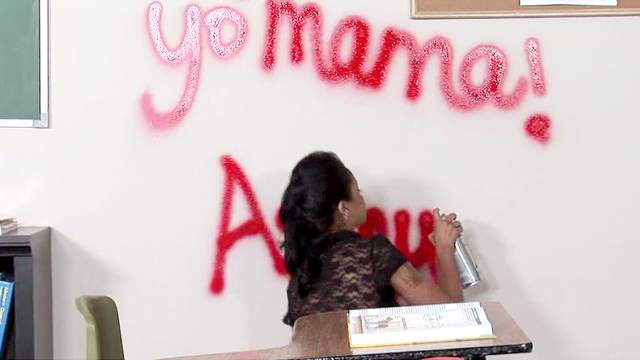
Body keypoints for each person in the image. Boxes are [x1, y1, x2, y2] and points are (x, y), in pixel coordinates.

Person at [280, 151, 464, 326]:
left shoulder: (300, 277)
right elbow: (452, 317)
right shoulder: (373, 253)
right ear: (344, 208)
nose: (362, 198)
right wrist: (444, 248)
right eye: (358, 191)